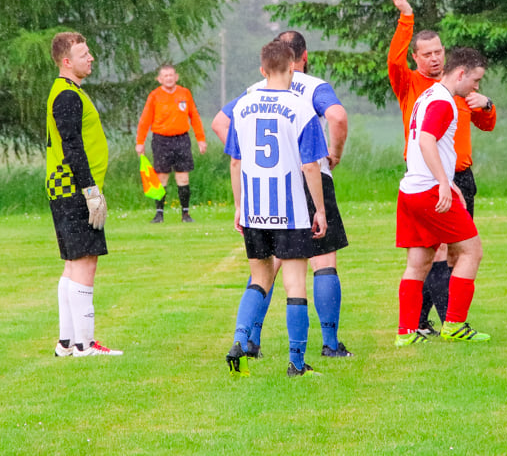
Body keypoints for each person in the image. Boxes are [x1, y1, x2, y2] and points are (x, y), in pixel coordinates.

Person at [211, 32, 353, 359]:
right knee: (320, 263)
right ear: (299, 61)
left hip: (260, 189)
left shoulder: (251, 93)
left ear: (264, 67)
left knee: (264, 267)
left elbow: (221, 123)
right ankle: (326, 345)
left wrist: (248, 164)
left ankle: (248, 340)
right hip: (303, 181)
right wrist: (334, 153)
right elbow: (337, 117)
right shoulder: (312, 88)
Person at [389, 0, 497, 335]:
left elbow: (487, 125)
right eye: (427, 54)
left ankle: (423, 324)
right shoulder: (413, 84)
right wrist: (406, 16)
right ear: (416, 58)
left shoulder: (460, 90)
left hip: (460, 176)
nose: (435, 58)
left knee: (449, 254)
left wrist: (487, 104)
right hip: (432, 178)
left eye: (439, 52)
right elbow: (394, 61)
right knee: (445, 253)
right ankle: (445, 321)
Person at [46, 32, 122, 357]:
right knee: (84, 263)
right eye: (83, 54)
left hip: (67, 187)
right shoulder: (67, 95)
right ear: (67, 61)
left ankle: (66, 343)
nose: (90, 58)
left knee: (72, 264)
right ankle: (84, 344)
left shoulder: (69, 91)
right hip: (73, 188)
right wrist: (90, 190)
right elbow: (72, 145)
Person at [135, 64, 207, 223]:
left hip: (181, 139)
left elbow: (194, 117)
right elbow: (145, 120)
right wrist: (140, 142)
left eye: (171, 75)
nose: (168, 78)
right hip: (161, 140)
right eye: (165, 76)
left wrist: (201, 139)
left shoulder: (184, 93)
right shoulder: (154, 96)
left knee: (183, 177)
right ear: (159, 79)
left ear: (176, 77)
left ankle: (185, 214)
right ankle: (159, 214)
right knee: (161, 177)